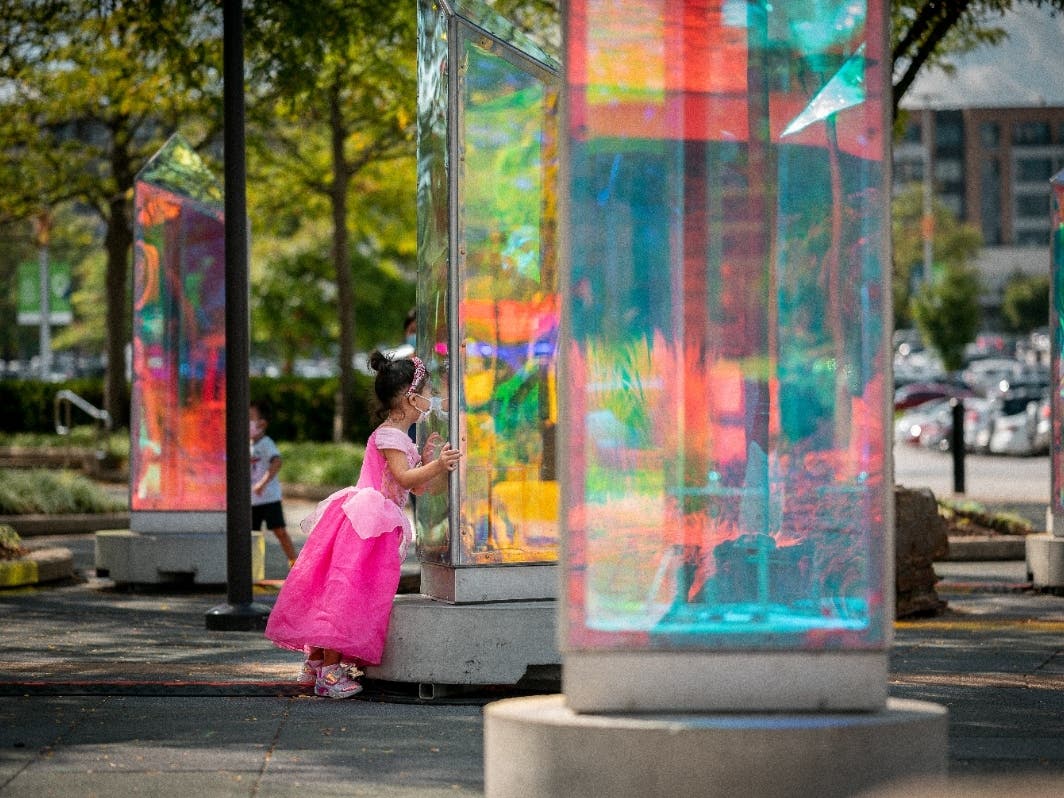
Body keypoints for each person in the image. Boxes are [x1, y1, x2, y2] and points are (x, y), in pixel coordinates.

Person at [264, 351, 462, 699]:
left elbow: (416, 487)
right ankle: (329, 672)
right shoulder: (390, 436)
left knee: (347, 592)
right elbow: (404, 476)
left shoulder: (401, 438)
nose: (431, 399)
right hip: (366, 524)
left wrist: (432, 462)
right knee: (346, 594)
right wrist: (434, 466)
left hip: (376, 528)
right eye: (428, 391)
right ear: (409, 397)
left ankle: (317, 664)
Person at [250, 401, 298, 567]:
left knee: (280, 531)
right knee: (252, 535)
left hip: (269, 497)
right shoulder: (246, 445)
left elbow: (277, 462)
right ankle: (253, 570)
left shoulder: (266, 443)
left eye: (249, 418)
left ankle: (295, 564)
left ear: (262, 423)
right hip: (251, 500)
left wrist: (262, 483)